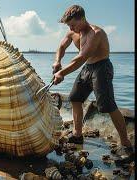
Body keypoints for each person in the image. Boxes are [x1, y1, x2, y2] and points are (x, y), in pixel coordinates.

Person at [52, 5, 133, 156]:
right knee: (75, 98)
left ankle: (126, 144)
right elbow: (61, 47)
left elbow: (81, 57)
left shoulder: (96, 33)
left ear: (82, 19)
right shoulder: (73, 32)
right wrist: (57, 61)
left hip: (101, 68)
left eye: (73, 24)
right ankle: (77, 135)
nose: (71, 28)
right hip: (87, 69)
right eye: (69, 25)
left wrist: (62, 73)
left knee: (108, 105)